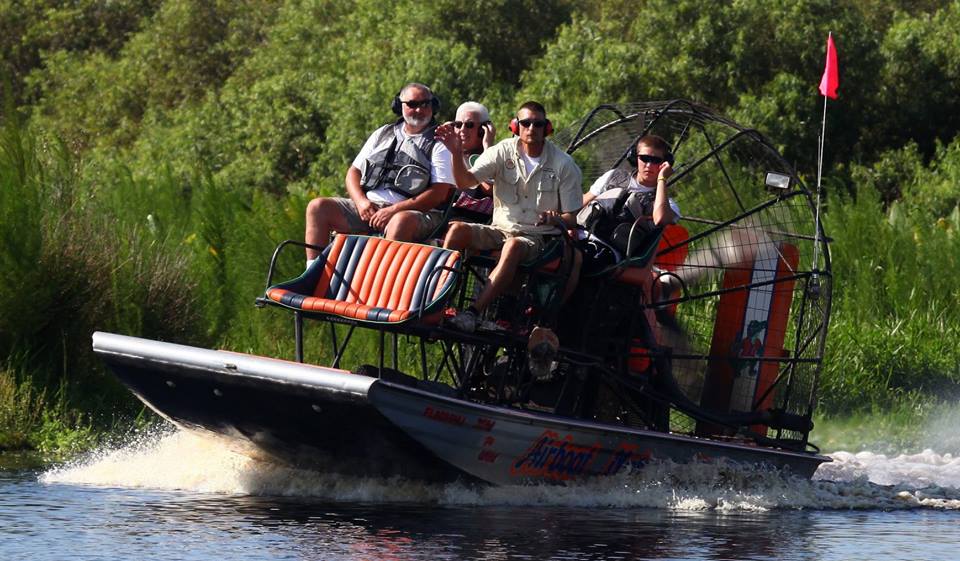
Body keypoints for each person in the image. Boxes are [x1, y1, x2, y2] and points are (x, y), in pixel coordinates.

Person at [435, 101, 583, 333]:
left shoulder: (564, 165)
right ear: (516, 126)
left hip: (536, 238)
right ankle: (438, 300)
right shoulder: (502, 151)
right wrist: (455, 153)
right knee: (457, 230)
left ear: (547, 127)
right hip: (499, 229)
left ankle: (472, 313)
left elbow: (571, 218)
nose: (532, 128)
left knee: (513, 245)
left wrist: (555, 219)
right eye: (526, 123)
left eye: (538, 123)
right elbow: (465, 182)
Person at [303, 83, 454, 266]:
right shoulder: (383, 133)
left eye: (425, 104)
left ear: (433, 106)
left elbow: (439, 193)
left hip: (414, 214)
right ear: (400, 106)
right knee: (318, 207)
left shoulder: (440, 143)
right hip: (370, 210)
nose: (420, 109)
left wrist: (393, 210)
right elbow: (353, 172)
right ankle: (312, 273)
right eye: (412, 104)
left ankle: (377, 284)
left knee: (400, 221)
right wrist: (361, 203)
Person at [448, 101, 496, 220]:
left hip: (471, 223)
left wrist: (487, 148)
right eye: (458, 125)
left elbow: (490, 189)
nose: (462, 130)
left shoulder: (496, 154)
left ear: (482, 130)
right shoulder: (444, 152)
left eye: (469, 125)